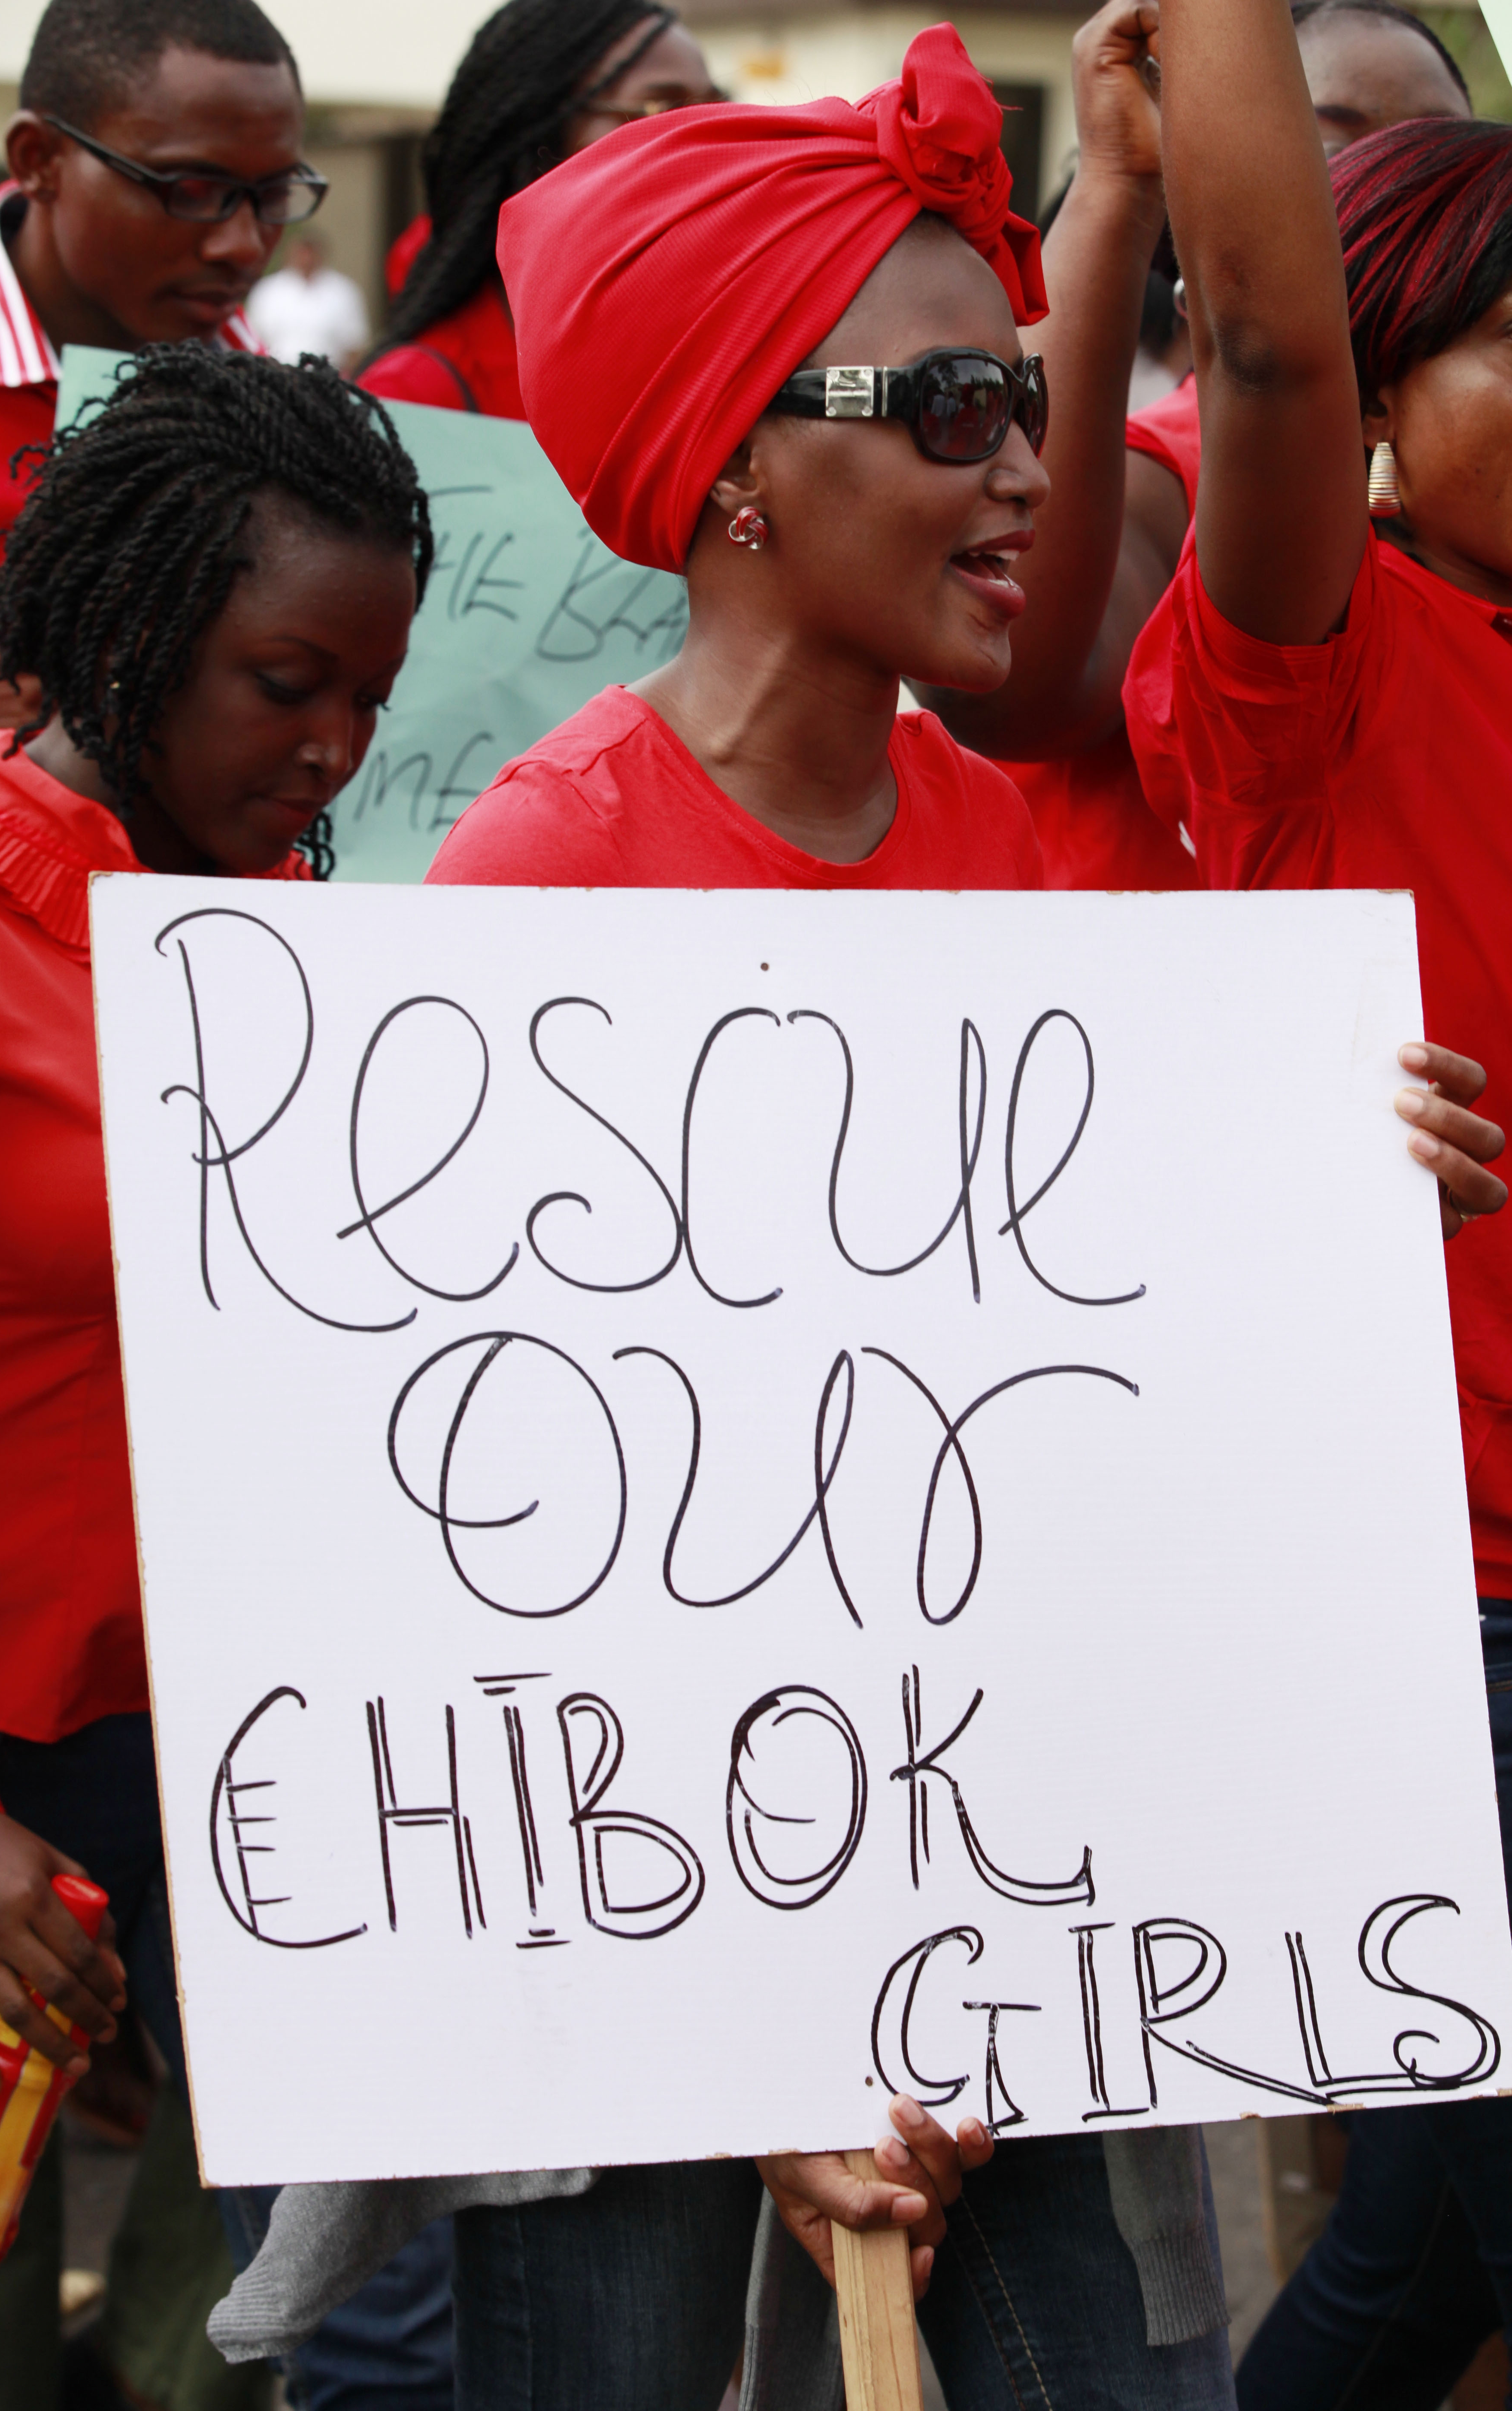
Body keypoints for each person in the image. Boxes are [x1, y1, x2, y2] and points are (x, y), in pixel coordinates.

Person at [207, 27, 1506, 2405]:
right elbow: (464, 1565)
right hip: (619, 1988)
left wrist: (1321, 1231)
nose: (1026, 467)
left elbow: (1096, 1420)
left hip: (1015, 1974)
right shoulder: (540, 879)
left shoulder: (1029, 853)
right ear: (726, 478)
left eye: (1018, 403)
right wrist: (756, 2036)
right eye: (943, 414)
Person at [0, 346, 429, 2403]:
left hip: (243, 1783)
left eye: (369, 696)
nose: (336, 745)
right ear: (123, 636)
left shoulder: (310, 948)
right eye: (283, 684)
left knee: (222, 2351)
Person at [1121, 0, 1512, 2389]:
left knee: (1427, 2250)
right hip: (1421, 1595)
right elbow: (1251, 329)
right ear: (1366, 421)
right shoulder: (1318, 662)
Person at [921, 0, 1473, 894]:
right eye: (1331, 143)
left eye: (1442, 151)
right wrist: (1121, 177)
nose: (1402, 182)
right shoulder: (1171, 468)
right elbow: (1011, 696)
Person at [0, 0, 324, 808]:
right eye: (190, 189)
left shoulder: (276, 405)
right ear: (39, 159)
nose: (240, 244)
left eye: (273, 195)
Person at [358, 0, 720, 417]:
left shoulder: (709, 351)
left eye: (717, 105)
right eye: (662, 109)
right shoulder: (412, 398)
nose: (707, 135)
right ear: (540, 133)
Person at [247, 231, 369, 370]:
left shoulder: (343, 292)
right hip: (278, 376)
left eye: (311, 253)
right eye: (302, 253)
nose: (307, 259)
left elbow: (354, 346)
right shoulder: (267, 291)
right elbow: (253, 342)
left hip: (327, 378)